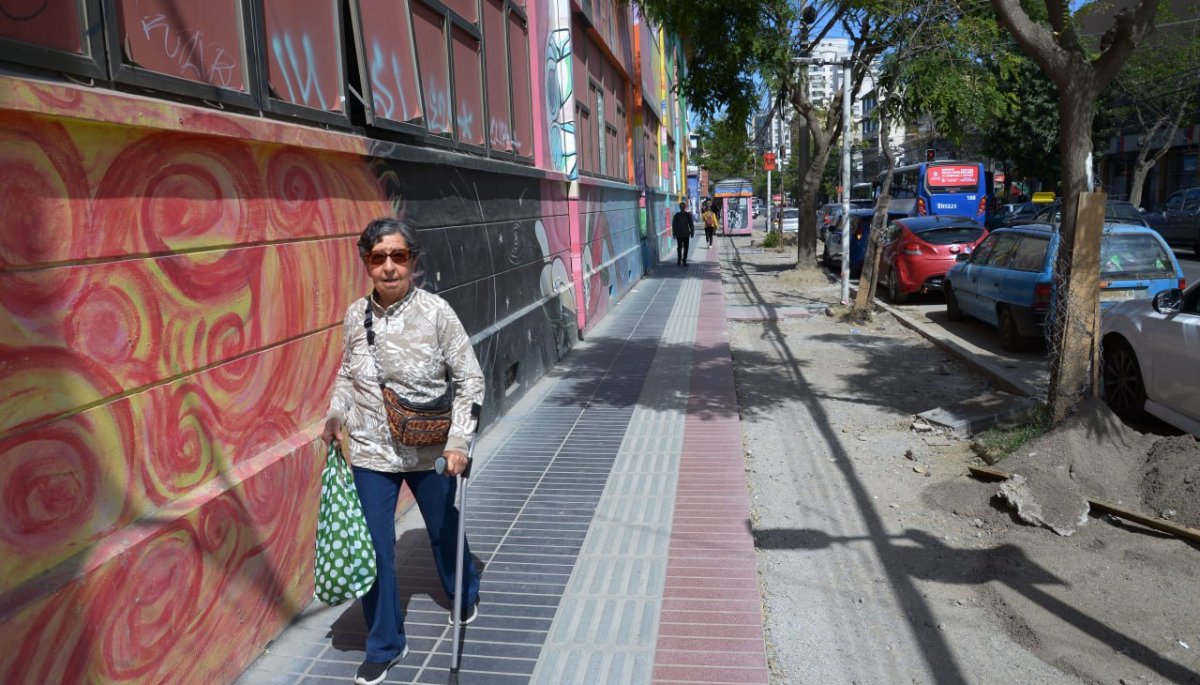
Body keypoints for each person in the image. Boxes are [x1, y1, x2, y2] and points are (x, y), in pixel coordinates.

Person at [321, 218, 484, 685]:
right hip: (372, 452)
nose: (389, 267)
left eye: (398, 256)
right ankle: (385, 642)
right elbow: (346, 377)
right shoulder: (356, 316)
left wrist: (457, 442)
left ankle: (463, 589)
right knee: (374, 547)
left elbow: (470, 380)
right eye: (378, 258)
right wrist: (336, 415)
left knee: (441, 527)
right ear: (366, 263)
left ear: (412, 261)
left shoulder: (437, 313)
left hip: (430, 448)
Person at [671, 200, 694, 265]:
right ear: (680, 207)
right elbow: (674, 225)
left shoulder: (687, 215)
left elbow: (691, 224)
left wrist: (692, 232)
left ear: (684, 207)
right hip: (680, 234)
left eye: (683, 206)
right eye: (681, 206)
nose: (682, 207)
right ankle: (680, 259)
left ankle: (683, 260)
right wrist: (674, 233)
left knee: (684, 248)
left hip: (685, 234)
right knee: (680, 247)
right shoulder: (677, 215)